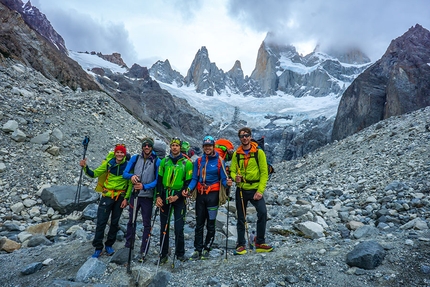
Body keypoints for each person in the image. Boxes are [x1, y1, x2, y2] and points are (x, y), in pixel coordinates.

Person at [183, 136, 232, 260]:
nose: (208, 148)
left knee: (210, 224)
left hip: (213, 196)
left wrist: (228, 184)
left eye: (210, 146)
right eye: (205, 146)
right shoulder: (199, 161)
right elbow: (195, 178)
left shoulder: (220, 160)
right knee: (199, 224)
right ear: (203, 147)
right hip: (200, 195)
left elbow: (223, 179)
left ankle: (207, 248)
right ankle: (197, 249)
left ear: (213, 146)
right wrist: (188, 189)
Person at [79, 143, 132, 258]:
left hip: (120, 197)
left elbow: (129, 184)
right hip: (107, 195)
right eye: (118, 152)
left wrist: (126, 199)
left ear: (124, 154)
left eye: (121, 152)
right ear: (115, 153)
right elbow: (94, 174)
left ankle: (109, 245)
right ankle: (98, 247)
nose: (119, 154)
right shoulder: (108, 164)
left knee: (114, 222)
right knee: (101, 222)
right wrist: (85, 167)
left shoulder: (128, 166)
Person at [229, 127, 273, 255]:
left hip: (255, 189)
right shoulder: (237, 154)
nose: (245, 138)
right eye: (242, 136)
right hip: (241, 189)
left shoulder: (259, 152)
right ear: (240, 138)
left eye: (247, 135)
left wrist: (260, 191)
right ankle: (241, 244)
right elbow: (232, 170)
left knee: (263, 213)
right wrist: (234, 177)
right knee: (241, 217)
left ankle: (260, 242)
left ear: (250, 136)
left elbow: (264, 173)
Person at [155, 137, 193, 265]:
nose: (175, 147)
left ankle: (180, 253)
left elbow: (188, 182)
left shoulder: (186, 163)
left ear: (180, 147)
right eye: (173, 145)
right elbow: (159, 181)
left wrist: (177, 196)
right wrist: (158, 197)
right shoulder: (164, 162)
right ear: (170, 147)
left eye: (177, 145)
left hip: (179, 199)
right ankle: (163, 253)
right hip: (165, 195)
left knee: (179, 227)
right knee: (163, 227)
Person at [123, 137, 161, 261]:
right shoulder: (135, 158)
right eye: (144, 145)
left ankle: (144, 250)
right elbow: (125, 173)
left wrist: (144, 186)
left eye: (149, 145)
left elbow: (157, 181)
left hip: (147, 197)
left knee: (146, 224)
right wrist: (132, 176)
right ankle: (129, 246)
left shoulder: (157, 161)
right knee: (131, 221)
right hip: (135, 195)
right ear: (142, 146)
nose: (146, 147)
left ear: (152, 147)